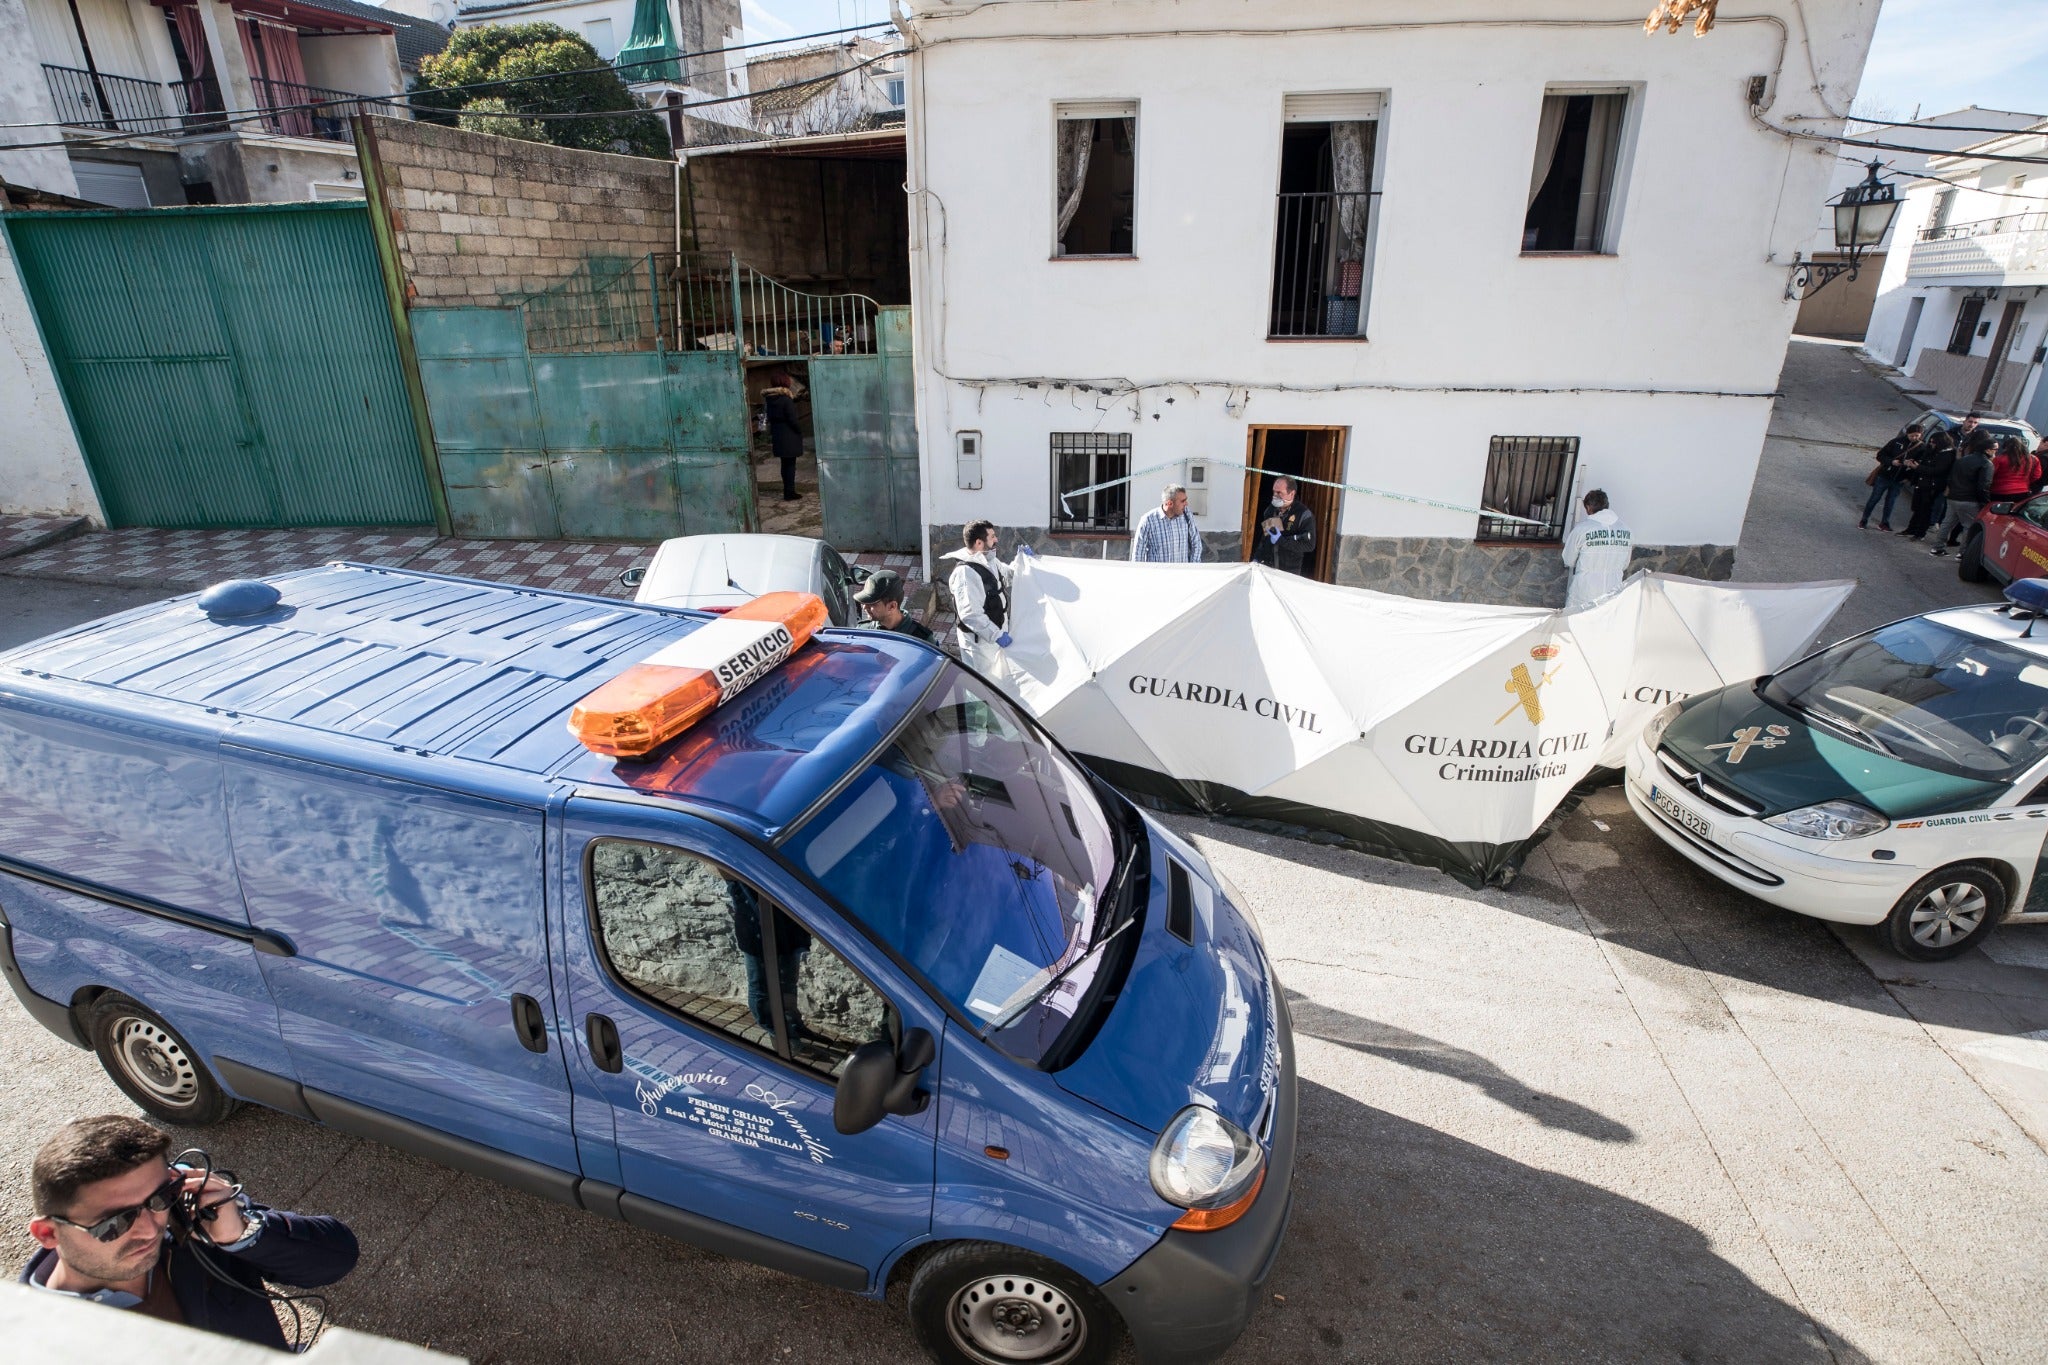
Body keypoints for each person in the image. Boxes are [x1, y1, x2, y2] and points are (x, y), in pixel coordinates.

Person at [21, 1115, 358, 1349]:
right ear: (48, 1234)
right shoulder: (38, 1342)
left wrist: (241, 1233)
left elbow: (337, 1258)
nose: (149, 1228)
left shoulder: (193, 1228)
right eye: (116, 1223)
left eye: (159, 1198)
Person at [942, 519, 1032, 663]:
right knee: (980, 682)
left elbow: (1007, 577)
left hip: (995, 636)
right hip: (979, 646)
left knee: (996, 680)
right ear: (979, 543)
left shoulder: (989, 561)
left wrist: (1022, 561)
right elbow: (970, 613)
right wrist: (996, 635)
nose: (996, 539)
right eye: (992, 537)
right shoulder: (965, 573)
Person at [1561, 489, 1633, 609]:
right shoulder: (1626, 530)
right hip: (1613, 589)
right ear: (1607, 505)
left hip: (1585, 590)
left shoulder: (1582, 529)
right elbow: (1625, 564)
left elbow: (1568, 560)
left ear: (1588, 507)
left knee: (1579, 623)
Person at [1931, 434, 1995, 556]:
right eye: (1995, 450)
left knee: (1947, 523)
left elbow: (1951, 477)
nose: (1996, 453)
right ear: (1987, 450)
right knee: (1968, 526)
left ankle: (1937, 548)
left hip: (1953, 496)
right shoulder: (1986, 464)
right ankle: (1963, 553)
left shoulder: (1963, 460)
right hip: (1970, 500)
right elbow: (1984, 486)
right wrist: (1985, 502)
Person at [1250, 476, 1316, 576]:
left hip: (1289, 571)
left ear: (1292, 494)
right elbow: (1265, 538)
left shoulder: (1303, 514)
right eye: (1274, 492)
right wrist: (1257, 558)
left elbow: (1309, 545)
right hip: (1268, 566)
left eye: (1279, 493)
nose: (1275, 495)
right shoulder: (1271, 510)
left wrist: (1282, 541)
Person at [1860, 423, 1921, 530]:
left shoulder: (1921, 447)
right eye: (1912, 435)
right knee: (1874, 498)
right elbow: (1880, 455)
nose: (1914, 438)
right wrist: (1891, 462)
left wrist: (1908, 478)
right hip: (1884, 476)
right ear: (1907, 434)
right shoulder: (1896, 442)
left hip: (1899, 480)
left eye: (1917, 436)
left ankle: (1884, 523)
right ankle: (1864, 520)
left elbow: (1919, 466)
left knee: (1890, 502)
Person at [853, 569, 936, 642]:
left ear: (892, 606)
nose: (864, 607)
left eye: (871, 604)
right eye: (864, 603)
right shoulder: (862, 632)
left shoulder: (923, 640)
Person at [1902, 429, 1956, 539]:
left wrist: (1918, 467)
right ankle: (1911, 529)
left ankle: (1920, 533)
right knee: (1917, 508)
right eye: (1930, 442)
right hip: (1921, 483)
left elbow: (1938, 471)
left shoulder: (1947, 455)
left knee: (1925, 510)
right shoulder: (1931, 451)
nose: (1931, 444)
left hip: (1933, 486)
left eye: (1934, 442)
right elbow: (1924, 461)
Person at [1130, 483, 1204, 563]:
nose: (1186, 504)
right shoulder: (1148, 521)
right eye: (1183, 501)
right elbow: (1138, 553)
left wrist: (1193, 568)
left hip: (1182, 574)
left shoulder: (1187, 514)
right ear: (1169, 503)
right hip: (1157, 574)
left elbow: (1196, 544)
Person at [762, 368, 804, 502]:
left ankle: (787, 490)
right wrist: (799, 430)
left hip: (778, 434)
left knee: (784, 464)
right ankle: (789, 492)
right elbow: (792, 419)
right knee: (790, 465)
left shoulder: (769, 400)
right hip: (789, 435)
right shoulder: (786, 400)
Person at [1990, 434, 2040, 503]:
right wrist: (2025, 482)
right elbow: (2036, 475)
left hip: (1999, 492)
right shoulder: (2033, 459)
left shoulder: (1999, 459)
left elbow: (1990, 474)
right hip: (2022, 492)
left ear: (2006, 447)